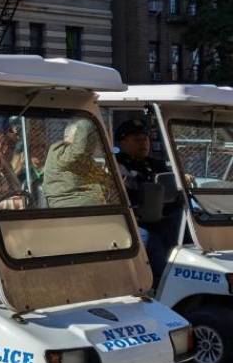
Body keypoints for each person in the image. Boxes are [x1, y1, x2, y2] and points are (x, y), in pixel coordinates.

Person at [115, 119, 178, 286]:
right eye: (137, 139)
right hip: (132, 220)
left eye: (145, 139)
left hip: (160, 217)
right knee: (153, 240)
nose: (143, 143)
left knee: (179, 229)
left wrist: (181, 180)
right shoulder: (117, 165)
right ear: (122, 142)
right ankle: (162, 284)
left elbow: (172, 185)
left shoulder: (155, 163)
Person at [44, 118, 119, 208]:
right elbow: (77, 151)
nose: (91, 142)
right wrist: (87, 122)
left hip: (92, 208)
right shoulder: (59, 153)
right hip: (73, 211)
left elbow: (102, 179)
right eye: (86, 137)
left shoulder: (85, 160)